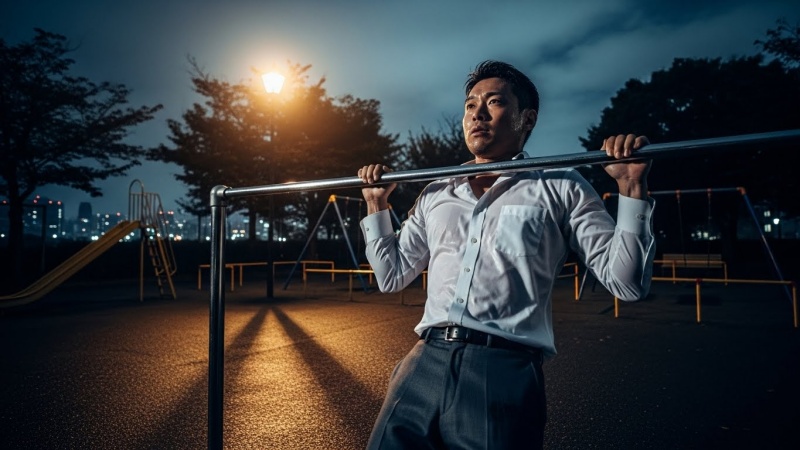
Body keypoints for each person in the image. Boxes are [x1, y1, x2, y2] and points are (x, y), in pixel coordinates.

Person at [357, 60, 654, 450]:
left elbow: (627, 283)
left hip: (503, 369)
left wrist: (633, 187)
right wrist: (377, 206)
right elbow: (390, 276)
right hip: (422, 363)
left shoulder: (561, 186)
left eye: (494, 102)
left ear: (526, 119)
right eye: (469, 105)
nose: (477, 114)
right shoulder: (437, 191)